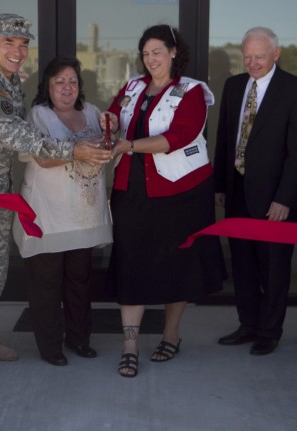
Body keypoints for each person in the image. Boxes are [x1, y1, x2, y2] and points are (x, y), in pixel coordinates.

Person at [0, 14, 110, 377]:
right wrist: (74, 151)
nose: (17, 50)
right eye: (9, 42)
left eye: (23, 44)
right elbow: (15, 135)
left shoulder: (8, 81)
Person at [105, 24, 225, 378]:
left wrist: (129, 145)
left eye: (157, 51)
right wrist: (109, 119)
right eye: (145, 53)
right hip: (132, 189)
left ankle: (171, 335)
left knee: (178, 263)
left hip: (182, 192)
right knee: (131, 262)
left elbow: (178, 136)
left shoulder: (191, 92)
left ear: (174, 52)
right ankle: (130, 346)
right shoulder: (133, 87)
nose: (151, 59)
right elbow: (115, 115)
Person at [214, 27, 297, 356]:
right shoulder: (233, 86)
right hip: (238, 189)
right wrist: (220, 185)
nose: (252, 63)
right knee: (241, 262)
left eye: (258, 56)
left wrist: (285, 198)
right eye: (247, 56)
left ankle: (269, 331)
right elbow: (225, 139)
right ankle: (248, 324)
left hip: (274, 197)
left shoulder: (296, 91)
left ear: (276, 54)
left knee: (273, 265)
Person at [13, 57, 112, 366]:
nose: (67, 88)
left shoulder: (93, 113)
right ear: (48, 86)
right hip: (49, 215)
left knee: (79, 282)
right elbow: (42, 158)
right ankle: (50, 346)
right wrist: (80, 151)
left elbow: (109, 146)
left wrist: (113, 135)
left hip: (83, 216)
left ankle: (80, 339)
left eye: (72, 81)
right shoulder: (39, 115)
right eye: (60, 82)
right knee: (46, 284)